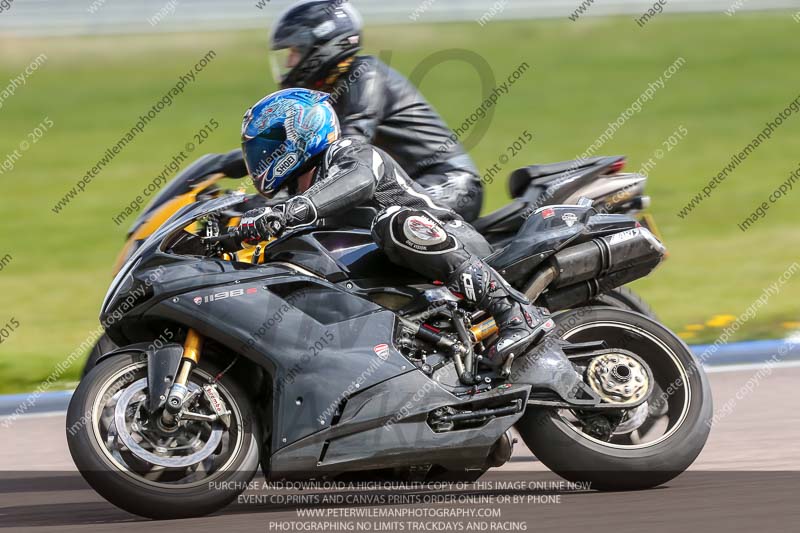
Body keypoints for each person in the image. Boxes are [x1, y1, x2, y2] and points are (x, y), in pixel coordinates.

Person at [235, 88, 553, 368]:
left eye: (270, 144)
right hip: (404, 278)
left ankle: (513, 310)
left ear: (299, 134)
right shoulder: (296, 199)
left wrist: (288, 212)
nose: (260, 156)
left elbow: (358, 180)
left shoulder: (349, 154)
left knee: (394, 223)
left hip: (454, 241)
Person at [267, 0, 484, 221]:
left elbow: (349, 144)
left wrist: (284, 199)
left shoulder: (365, 75)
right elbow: (294, 142)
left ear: (320, 47)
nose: (288, 63)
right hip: (407, 184)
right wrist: (236, 162)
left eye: (294, 51)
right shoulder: (330, 90)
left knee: (377, 220)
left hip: (450, 182)